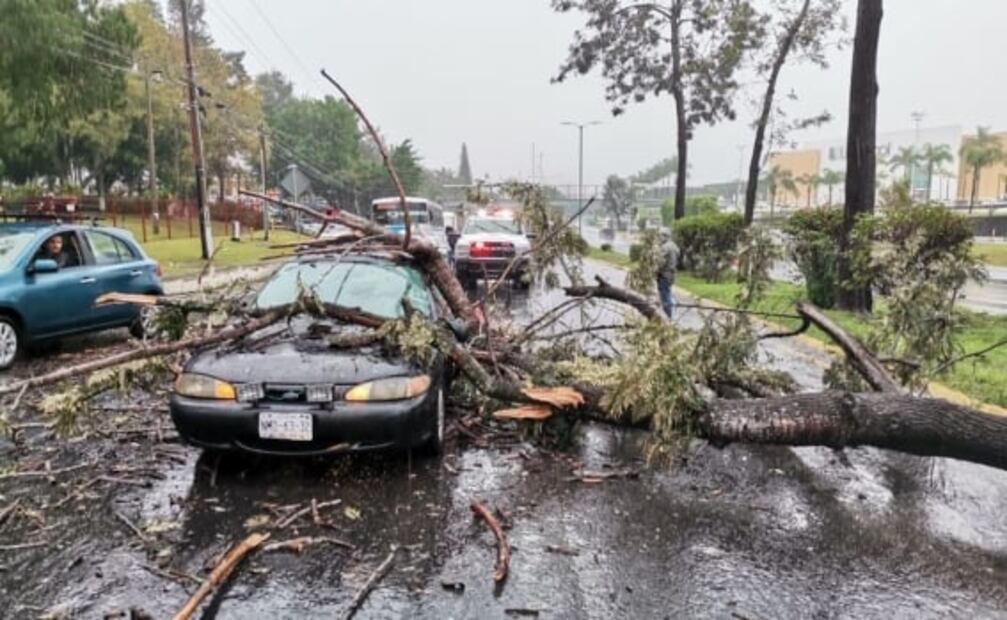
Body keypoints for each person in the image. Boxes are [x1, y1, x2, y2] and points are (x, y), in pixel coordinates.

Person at [656, 228, 679, 318]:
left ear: (665, 236)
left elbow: (661, 262)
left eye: (660, 236)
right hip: (672, 275)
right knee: (667, 294)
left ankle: (667, 318)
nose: (659, 238)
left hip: (664, 275)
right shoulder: (674, 246)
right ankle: (667, 316)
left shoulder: (665, 247)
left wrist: (654, 271)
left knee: (665, 297)